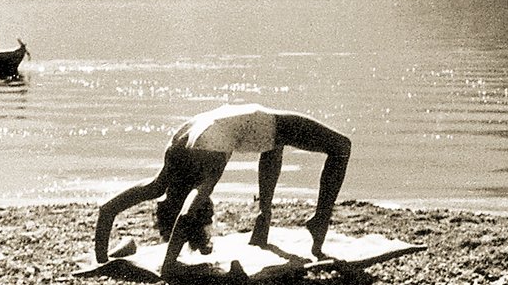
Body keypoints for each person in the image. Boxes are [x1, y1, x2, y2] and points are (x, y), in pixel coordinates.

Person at [93, 103, 352, 275]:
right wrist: (169, 266)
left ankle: (273, 219)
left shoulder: (189, 162)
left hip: (209, 130)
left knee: (279, 143)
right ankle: (318, 219)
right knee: (341, 146)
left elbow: (108, 210)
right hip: (202, 128)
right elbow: (109, 210)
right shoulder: (212, 153)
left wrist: (102, 259)